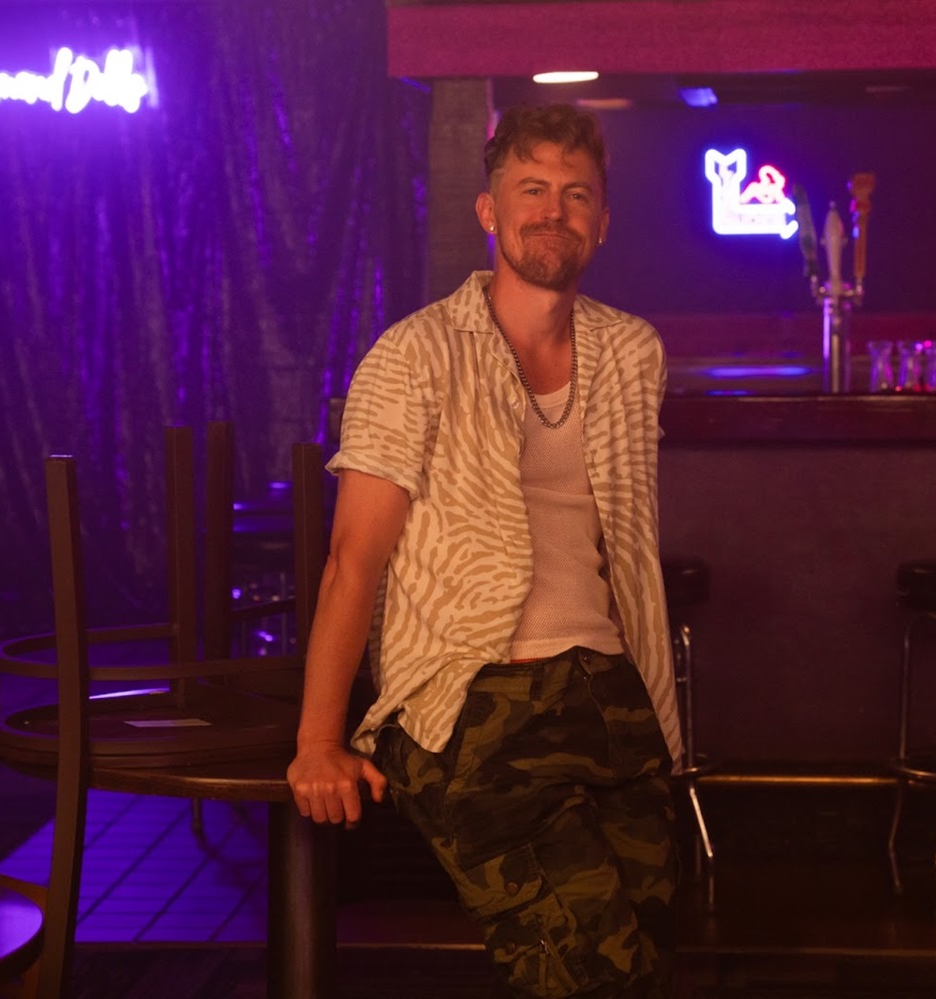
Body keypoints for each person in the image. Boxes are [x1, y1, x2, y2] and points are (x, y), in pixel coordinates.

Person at [286, 102, 684, 998]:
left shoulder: (632, 353)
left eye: (576, 193)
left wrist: (657, 712)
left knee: (650, 954)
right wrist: (317, 740)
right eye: (531, 188)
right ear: (489, 210)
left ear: (603, 220)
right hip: (473, 699)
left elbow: (623, 545)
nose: (554, 210)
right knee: (597, 971)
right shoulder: (414, 355)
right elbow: (354, 560)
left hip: (615, 692)